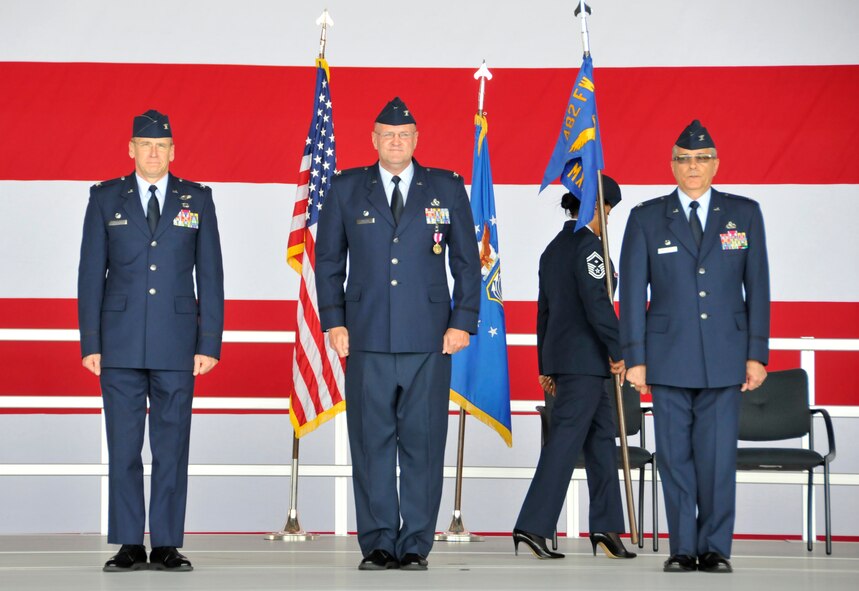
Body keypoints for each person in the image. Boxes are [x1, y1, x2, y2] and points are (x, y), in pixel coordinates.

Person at [315, 97, 480, 571]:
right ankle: (379, 541)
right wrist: (334, 321)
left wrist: (461, 321)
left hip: (430, 339)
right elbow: (328, 263)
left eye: (404, 135)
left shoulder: (445, 188)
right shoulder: (347, 188)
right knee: (371, 443)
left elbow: (468, 262)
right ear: (373, 139)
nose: (396, 142)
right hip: (364, 337)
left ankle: (415, 544)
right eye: (387, 135)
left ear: (416, 140)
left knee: (423, 444)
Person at [619, 120, 770, 573]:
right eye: (684, 159)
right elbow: (631, 293)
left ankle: (715, 547)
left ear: (716, 164)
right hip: (666, 357)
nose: (693, 167)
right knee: (675, 457)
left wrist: (756, 353)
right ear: (671, 165)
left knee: (719, 457)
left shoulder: (743, 213)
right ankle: (683, 547)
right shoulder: (647, 217)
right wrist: (635, 357)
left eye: (702, 159)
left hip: (726, 355)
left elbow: (757, 287)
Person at [77, 109, 224, 572]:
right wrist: (91, 342)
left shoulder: (197, 198)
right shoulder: (105, 198)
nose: (153, 152)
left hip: (178, 343)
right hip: (118, 343)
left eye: (161, 145)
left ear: (173, 151)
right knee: (123, 446)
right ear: (131, 149)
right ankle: (126, 543)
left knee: (171, 445)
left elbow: (212, 275)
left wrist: (209, 342)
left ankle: (164, 542)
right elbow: (89, 275)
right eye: (145, 144)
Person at [513, 176, 636, 561]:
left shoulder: (553, 249)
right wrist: (620, 350)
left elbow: (543, 312)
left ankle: (605, 527)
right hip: (586, 362)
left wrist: (544, 365)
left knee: (602, 443)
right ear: (604, 208)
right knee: (565, 442)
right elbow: (598, 304)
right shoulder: (591, 248)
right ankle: (532, 526)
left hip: (573, 363)